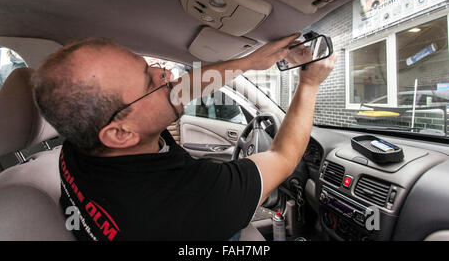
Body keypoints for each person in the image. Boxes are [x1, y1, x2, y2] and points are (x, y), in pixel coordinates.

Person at [32, 34, 336, 241]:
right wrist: (309, 84)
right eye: (149, 80)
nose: (164, 75)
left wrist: (250, 62)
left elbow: (179, 90)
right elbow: (282, 157)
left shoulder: (80, 145)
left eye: (150, 66)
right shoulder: (188, 201)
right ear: (120, 133)